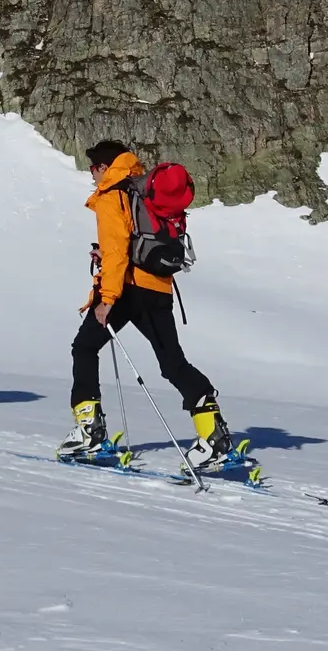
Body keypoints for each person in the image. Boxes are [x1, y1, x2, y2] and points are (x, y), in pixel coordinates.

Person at [58, 139, 232, 469]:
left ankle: (89, 431)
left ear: (105, 167)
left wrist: (106, 299)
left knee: (84, 348)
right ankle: (213, 435)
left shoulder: (112, 195)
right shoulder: (142, 189)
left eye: (93, 168)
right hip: (158, 287)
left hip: (127, 289)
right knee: (173, 364)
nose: (92, 176)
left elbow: (116, 252)